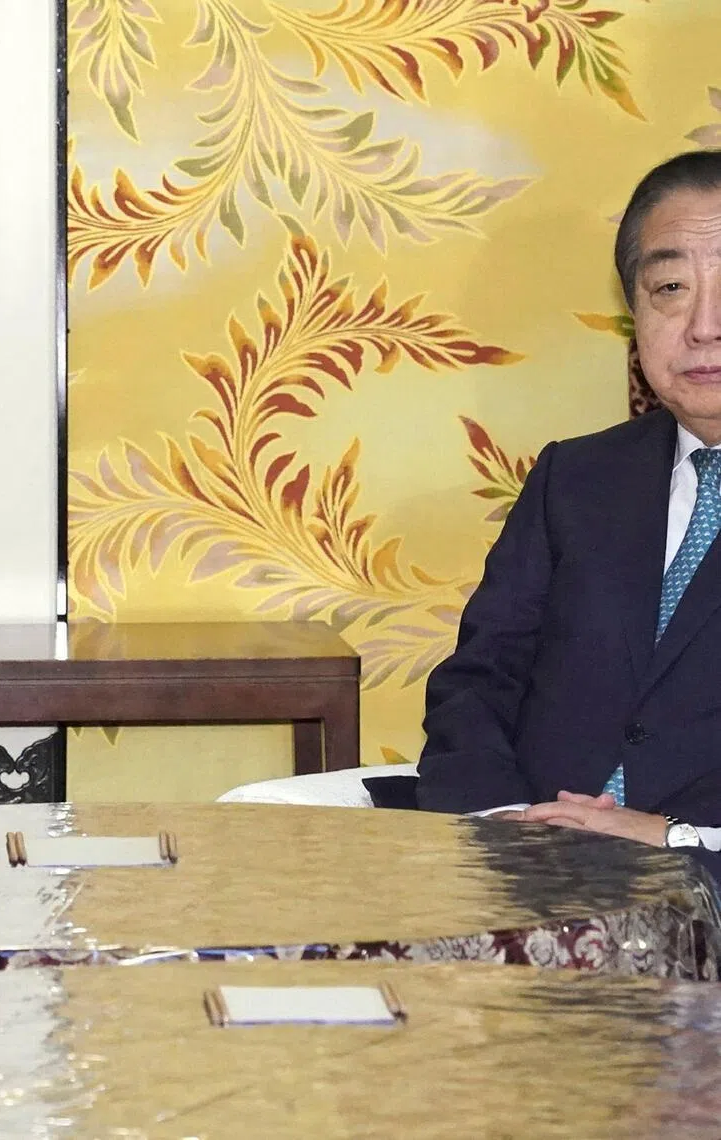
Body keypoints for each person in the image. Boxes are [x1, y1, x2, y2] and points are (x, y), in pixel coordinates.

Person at [223, 150, 721, 881]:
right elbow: (478, 682)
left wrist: (672, 839)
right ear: (634, 312)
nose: (704, 325)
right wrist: (501, 823)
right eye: (671, 287)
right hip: (525, 861)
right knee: (251, 848)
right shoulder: (576, 479)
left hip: (695, 877)